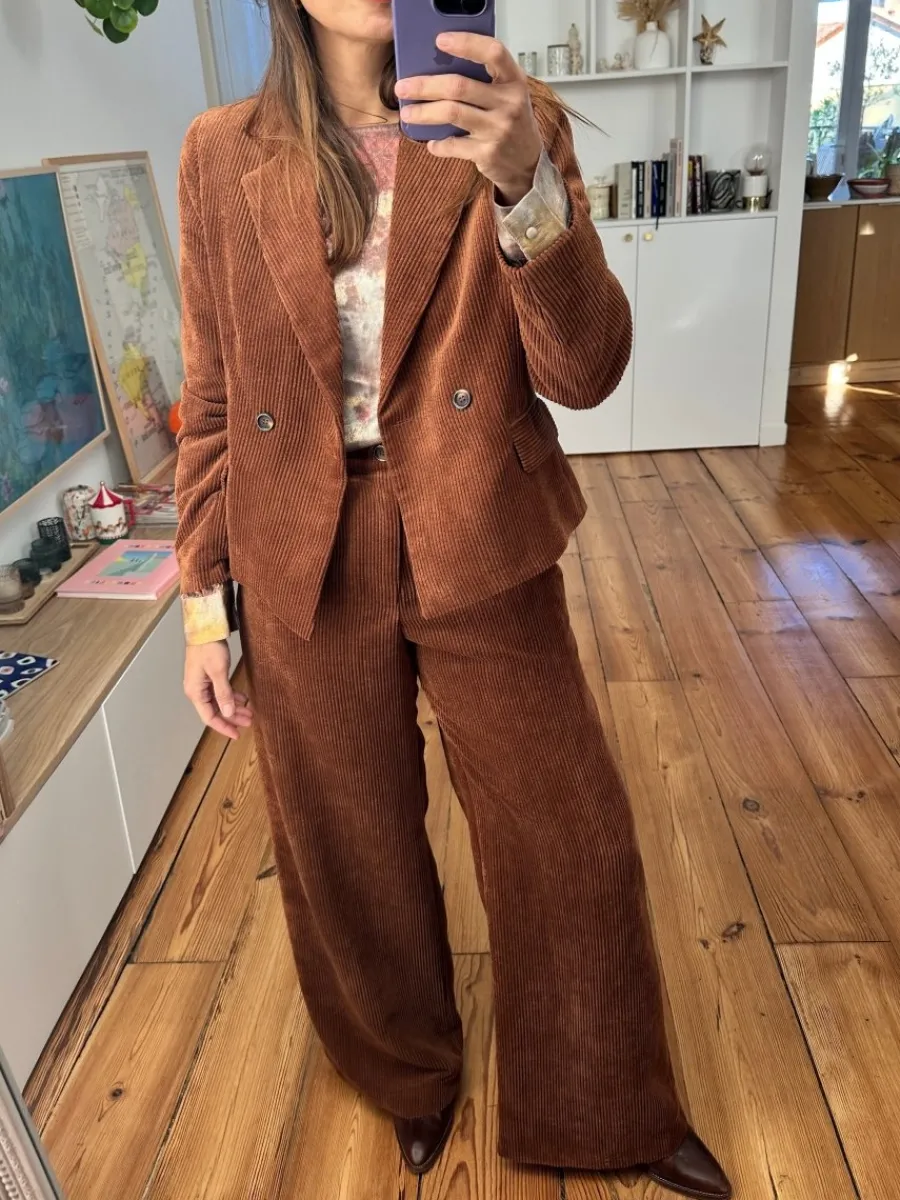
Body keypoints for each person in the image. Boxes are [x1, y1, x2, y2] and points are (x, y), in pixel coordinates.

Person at [175, 2, 732, 1195]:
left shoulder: (509, 121)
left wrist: (525, 183)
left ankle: (604, 1106)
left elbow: (586, 372)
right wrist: (203, 606)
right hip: (301, 545)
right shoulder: (221, 152)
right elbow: (213, 398)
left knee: (569, 835)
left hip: (479, 517)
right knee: (349, 846)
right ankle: (409, 1077)